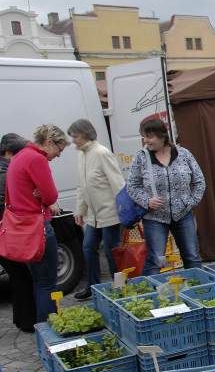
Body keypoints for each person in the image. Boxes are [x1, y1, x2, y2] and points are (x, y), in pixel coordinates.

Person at [6, 124, 67, 325]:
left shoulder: (20, 155)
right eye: (59, 149)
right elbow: (51, 196)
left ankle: (42, 328)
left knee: (39, 282)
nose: (58, 155)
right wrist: (43, 196)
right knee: (48, 284)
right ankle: (50, 330)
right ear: (49, 142)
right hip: (38, 228)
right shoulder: (37, 159)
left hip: (25, 229)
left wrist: (40, 194)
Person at [127, 119, 206, 275]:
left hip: (183, 215)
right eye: (144, 136)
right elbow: (132, 186)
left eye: (150, 136)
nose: (146, 140)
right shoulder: (141, 158)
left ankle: (198, 286)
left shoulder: (183, 154)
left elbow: (199, 181)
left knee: (192, 256)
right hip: (154, 218)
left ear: (162, 136)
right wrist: (147, 201)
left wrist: (190, 202)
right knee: (155, 260)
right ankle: (152, 289)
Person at [68, 119, 124, 300]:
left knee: (111, 252)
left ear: (85, 134)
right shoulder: (81, 154)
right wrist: (80, 210)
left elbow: (118, 184)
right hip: (93, 216)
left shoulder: (102, 153)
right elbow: (82, 186)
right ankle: (93, 288)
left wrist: (124, 211)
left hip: (110, 214)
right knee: (88, 248)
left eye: (75, 136)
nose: (73, 140)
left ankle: (120, 288)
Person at [0, 133, 37, 331]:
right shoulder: (6, 174)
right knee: (22, 277)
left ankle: (20, 319)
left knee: (17, 276)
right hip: (5, 234)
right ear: (8, 153)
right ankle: (28, 322)